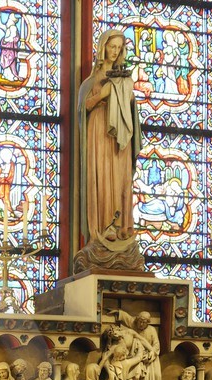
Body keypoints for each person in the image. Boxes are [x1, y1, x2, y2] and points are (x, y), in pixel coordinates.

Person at [75, 29, 141, 247]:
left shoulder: (124, 80)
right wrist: (101, 95)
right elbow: (83, 108)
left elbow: (132, 113)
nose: (115, 51)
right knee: (102, 176)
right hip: (99, 131)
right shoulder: (90, 81)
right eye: (112, 46)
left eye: (119, 48)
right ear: (103, 48)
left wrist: (127, 96)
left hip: (120, 134)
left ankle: (122, 226)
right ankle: (103, 228)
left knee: (121, 178)